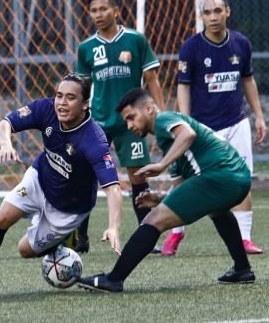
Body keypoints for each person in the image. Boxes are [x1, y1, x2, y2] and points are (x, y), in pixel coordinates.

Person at [0, 73, 123, 298]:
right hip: (39, 179)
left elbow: (113, 187)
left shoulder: (94, 140)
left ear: (85, 104)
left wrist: (113, 226)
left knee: (24, 250)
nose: (62, 103)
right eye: (59, 95)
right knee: (1, 217)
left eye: (70, 98)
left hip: (68, 209)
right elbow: (4, 124)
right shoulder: (46, 109)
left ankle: (65, 237)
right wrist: (5, 144)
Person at [77, 89, 255, 292]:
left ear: (148, 108)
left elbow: (188, 134)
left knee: (153, 220)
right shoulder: (168, 141)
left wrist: (161, 165)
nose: (129, 126)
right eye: (126, 121)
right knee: (217, 210)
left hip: (219, 176)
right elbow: (181, 188)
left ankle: (113, 279)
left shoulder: (163, 119)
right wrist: (159, 199)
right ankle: (242, 269)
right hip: (237, 178)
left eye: (131, 117)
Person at [162, 0, 267, 255]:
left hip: (236, 123)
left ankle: (244, 239)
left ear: (227, 12)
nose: (213, 17)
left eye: (218, 10)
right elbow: (183, 86)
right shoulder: (191, 47)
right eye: (207, 12)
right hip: (203, 128)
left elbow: (248, 79)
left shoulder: (241, 43)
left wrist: (259, 116)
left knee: (241, 179)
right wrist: (184, 121)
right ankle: (175, 234)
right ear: (201, 16)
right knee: (182, 180)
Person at [74, 0, 165, 253]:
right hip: (98, 122)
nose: (98, 14)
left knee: (138, 177)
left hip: (131, 122)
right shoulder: (86, 48)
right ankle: (81, 236)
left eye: (103, 9)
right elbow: (82, 88)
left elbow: (152, 80)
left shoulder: (135, 40)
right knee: (87, 177)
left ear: (116, 10)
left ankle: (145, 236)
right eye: (93, 10)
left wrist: (159, 117)